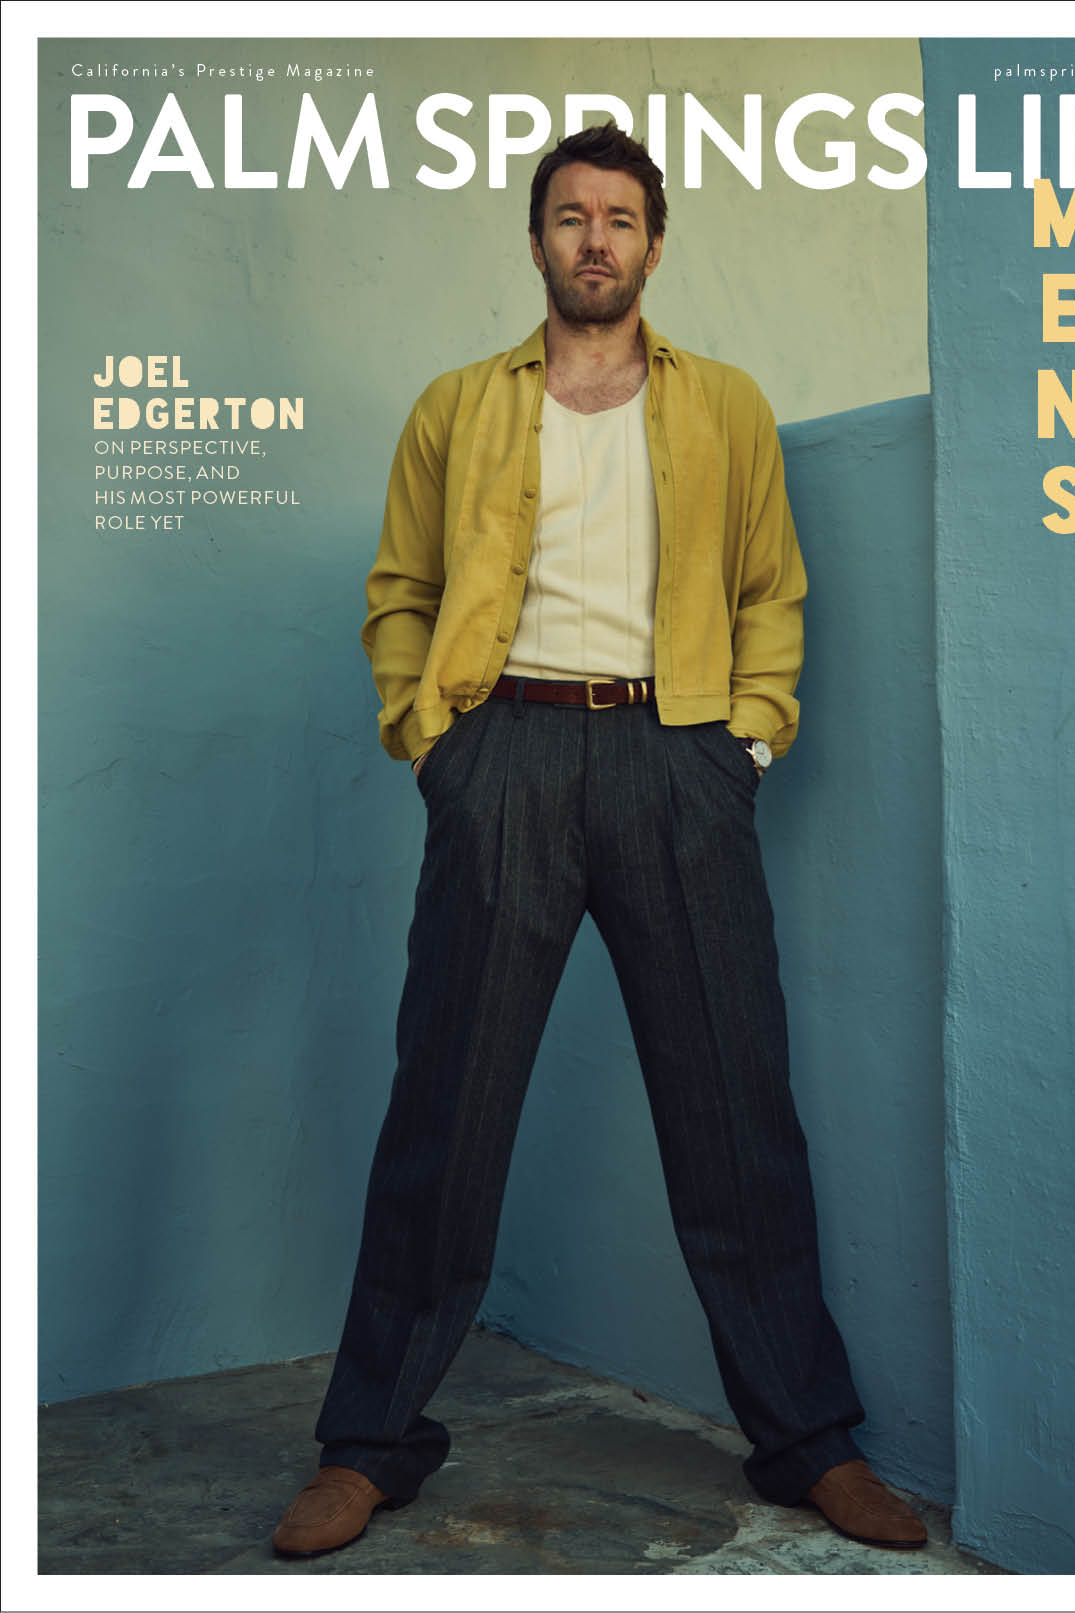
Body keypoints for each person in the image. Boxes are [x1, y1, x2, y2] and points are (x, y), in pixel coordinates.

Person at [272, 122, 926, 1560]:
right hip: (501, 752)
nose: (595, 240)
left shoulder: (726, 406)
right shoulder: (457, 406)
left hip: (675, 757)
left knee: (737, 1111)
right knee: (445, 1107)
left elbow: (771, 588)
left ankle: (811, 1439)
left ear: (653, 245)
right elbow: (401, 589)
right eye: (571, 216)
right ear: (537, 240)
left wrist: (745, 745)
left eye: (620, 219)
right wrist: (436, 747)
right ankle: (368, 1445)